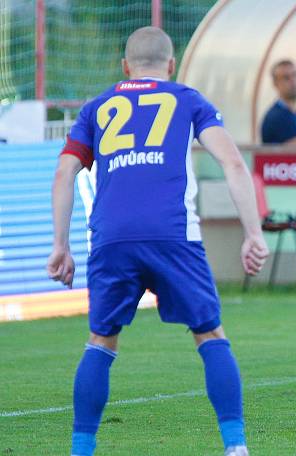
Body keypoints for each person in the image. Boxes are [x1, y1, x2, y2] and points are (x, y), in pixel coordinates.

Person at [46, 27, 268, 456]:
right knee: (209, 333)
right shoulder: (187, 99)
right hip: (172, 235)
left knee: (101, 339)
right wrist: (253, 234)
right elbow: (233, 164)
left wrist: (60, 245)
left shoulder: (95, 108)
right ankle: (236, 447)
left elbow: (63, 174)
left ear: (125, 67)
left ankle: (81, 450)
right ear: (172, 65)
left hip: (111, 237)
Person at [260, 59, 296, 144]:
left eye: (295, 75)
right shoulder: (275, 117)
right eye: (286, 78)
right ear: (275, 83)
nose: (293, 81)